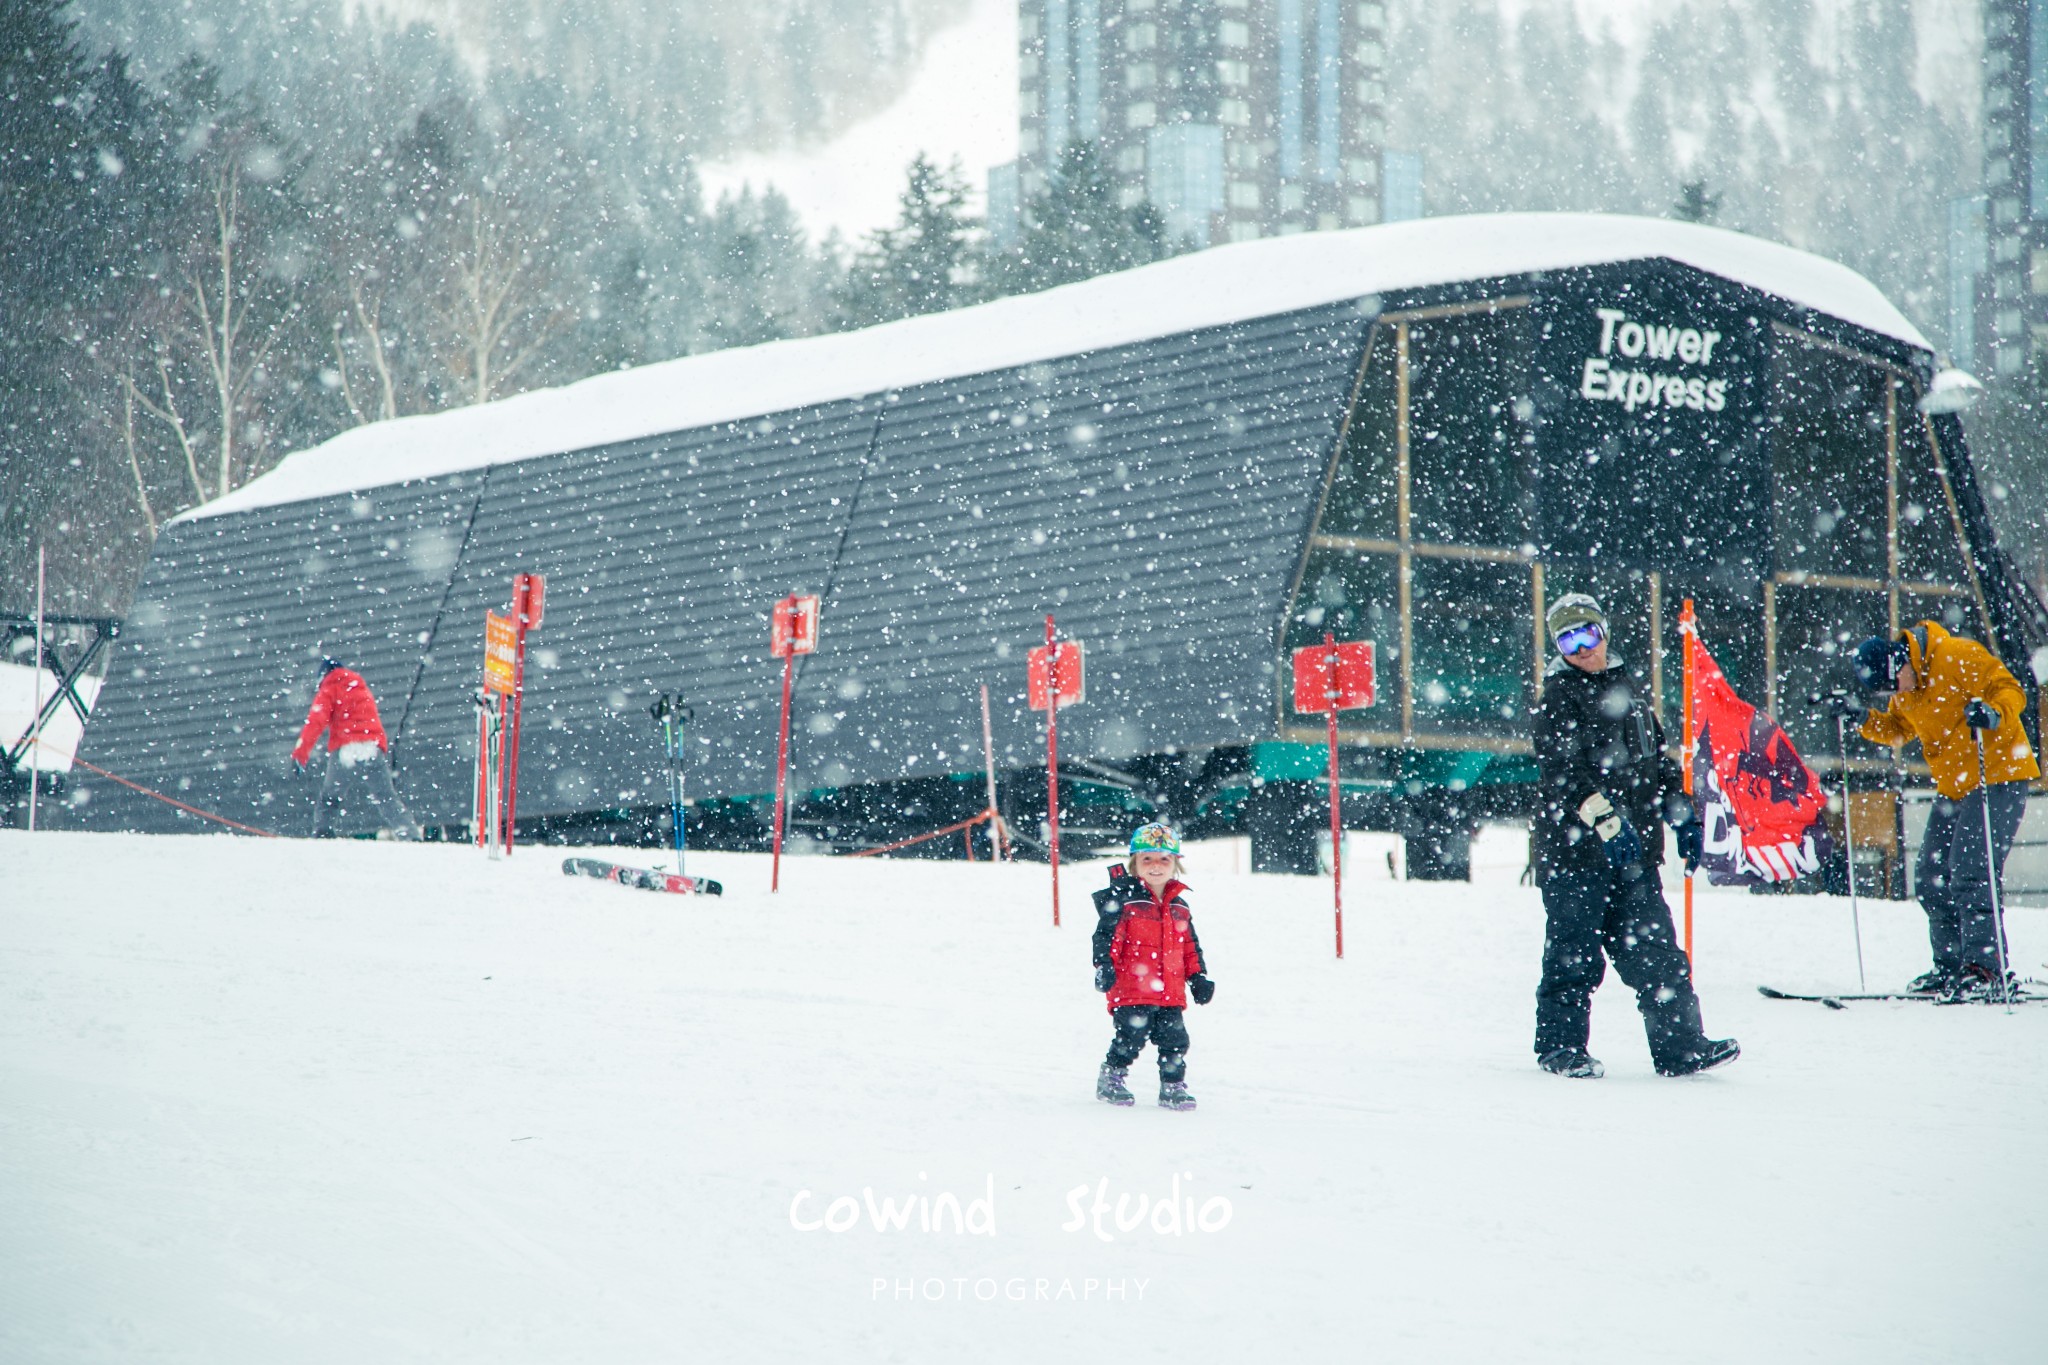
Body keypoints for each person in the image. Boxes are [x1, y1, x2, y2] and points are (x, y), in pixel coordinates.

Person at [1530, 593, 1739, 1079]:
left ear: (1605, 633)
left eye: (1589, 635)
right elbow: (1561, 771)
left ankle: (1681, 1047)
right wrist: (1604, 820)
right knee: (1574, 956)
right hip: (1576, 857)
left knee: (1658, 955)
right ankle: (1560, 1048)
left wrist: (1682, 814)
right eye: (1569, 639)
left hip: (1634, 856)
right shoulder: (1557, 696)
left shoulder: (1628, 687)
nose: (1582, 648)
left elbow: (1654, 761)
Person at [1840, 622, 2038, 1002]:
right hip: (1956, 786)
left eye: (1892, 683)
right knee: (1931, 875)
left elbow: (2010, 689)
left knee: (1971, 868)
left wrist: (1993, 712)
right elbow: (1899, 730)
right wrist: (1860, 717)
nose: (1894, 693)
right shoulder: (1906, 689)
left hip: (1998, 775)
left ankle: (1986, 968)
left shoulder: (1957, 656)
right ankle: (1951, 966)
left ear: (1901, 662)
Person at [1092, 822, 1215, 1110]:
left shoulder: (1180, 906)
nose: (1156, 866)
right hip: (1132, 988)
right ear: (1135, 863)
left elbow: (1189, 948)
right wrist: (1104, 966)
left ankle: (1172, 1087)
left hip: (1170, 990)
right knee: (1131, 1036)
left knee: (1175, 1040)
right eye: (1147, 859)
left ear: (1175, 864)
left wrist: (1198, 977)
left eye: (1164, 859)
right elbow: (1107, 938)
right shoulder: (1125, 901)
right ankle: (1112, 1077)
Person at [291, 658, 421, 840]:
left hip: (346, 751)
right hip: (371, 748)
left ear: (323, 675)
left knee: (330, 798)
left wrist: (300, 754)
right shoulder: (359, 686)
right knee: (386, 797)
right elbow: (373, 719)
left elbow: (315, 721)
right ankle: (409, 834)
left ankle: (323, 833)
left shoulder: (329, 686)